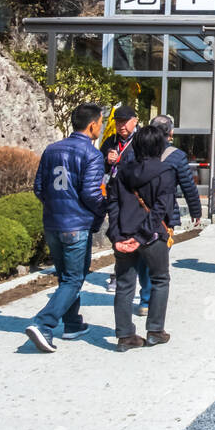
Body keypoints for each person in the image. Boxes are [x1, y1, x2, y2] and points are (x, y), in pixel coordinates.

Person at [24, 103, 106, 353]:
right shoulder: (92, 154)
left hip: (52, 223)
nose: (101, 127)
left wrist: (55, 207)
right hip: (76, 225)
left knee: (66, 278)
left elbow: (39, 187)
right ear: (92, 125)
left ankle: (72, 324)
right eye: (101, 122)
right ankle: (44, 324)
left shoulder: (51, 150)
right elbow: (91, 194)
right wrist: (101, 211)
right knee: (73, 279)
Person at [104, 126, 176, 351]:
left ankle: (125, 336)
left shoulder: (122, 171)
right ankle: (155, 331)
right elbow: (162, 209)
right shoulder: (166, 171)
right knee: (160, 280)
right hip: (152, 237)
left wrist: (116, 235)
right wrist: (142, 235)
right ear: (160, 146)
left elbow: (113, 203)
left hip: (123, 235)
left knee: (125, 285)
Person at [146, 114, 202, 315]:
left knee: (142, 256)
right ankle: (149, 299)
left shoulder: (137, 151)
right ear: (170, 132)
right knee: (159, 257)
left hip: (138, 212)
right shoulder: (176, 156)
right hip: (164, 215)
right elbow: (188, 186)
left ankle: (146, 297)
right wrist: (196, 211)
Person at [100, 105, 138, 295]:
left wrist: (121, 162)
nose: (121, 126)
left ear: (135, 121)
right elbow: (99, 167)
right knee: (116, 233)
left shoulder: (141, 141)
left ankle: (138, 273)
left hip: (135, 196)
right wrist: (107, 161)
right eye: (118, 122)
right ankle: (119, 272)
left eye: (125, 121)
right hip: (114, 194)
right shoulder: (110, 141)